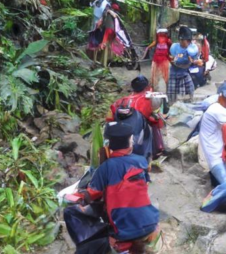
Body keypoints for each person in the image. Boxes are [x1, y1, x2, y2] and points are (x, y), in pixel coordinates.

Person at [77, 122, 161, 253]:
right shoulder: (141, 161)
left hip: (124, 232)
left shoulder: (106, 168)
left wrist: (80, 195)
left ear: (109, 144)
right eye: (131, 140)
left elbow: (92, 194)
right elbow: (144, 184)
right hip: (151, 223)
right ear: (128, 144)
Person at [200, 82, 226, 187]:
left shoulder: (218, 106)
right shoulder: (216, 109)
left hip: (217, 150)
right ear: (222, 96)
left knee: (221, 183)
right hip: (215, 155)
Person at [168, 26, 201, 103]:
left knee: (190, 90)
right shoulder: (174, 47)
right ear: (181, 40)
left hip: (184, 73)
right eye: (187, 41)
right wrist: (174, 61)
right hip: (174, 74)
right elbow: (172, 59)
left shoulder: (192, 49)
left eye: (190, 41)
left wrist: (193, 61)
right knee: (172, 95)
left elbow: (198, 61)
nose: (189, 43)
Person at [146, 28, 171, 93]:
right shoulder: (159, 39)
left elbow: (170, 46)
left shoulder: (168, 40)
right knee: (156, 74)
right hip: (157, 58)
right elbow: (155, 42)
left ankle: (165, 88)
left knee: (165, 74)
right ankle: (155, 88)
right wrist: (149, 47)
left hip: (164, 58)